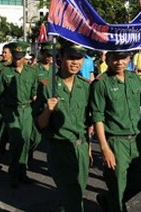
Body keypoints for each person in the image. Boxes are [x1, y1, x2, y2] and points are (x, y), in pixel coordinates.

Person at [91, 51, 141, 212]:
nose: (119, 62)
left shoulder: (134, 79)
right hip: (116, 141)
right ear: (108, 59)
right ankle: (114, 204)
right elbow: (98, 118)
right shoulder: (101, 84)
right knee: (117, 185)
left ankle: (108, 200)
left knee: (139, 180)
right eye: (115, 58)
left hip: (136, 139)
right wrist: (104, 148)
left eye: (123, 58)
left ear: (129, 59)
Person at [34, 40, 92, 212]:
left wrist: (88, 147)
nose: (75, 62)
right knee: (72, 194)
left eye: (79, 58)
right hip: (59, 148)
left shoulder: (85, 87)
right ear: (61, 58)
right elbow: (40, 125)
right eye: (71, 57)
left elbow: (88, 121)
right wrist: (48, 111)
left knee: (78, 192)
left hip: (81, 148)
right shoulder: (47, 86)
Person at [0, 41, 39, 187]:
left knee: (27, 141)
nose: (18, 60)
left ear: (24, 57)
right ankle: (14, 172)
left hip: (27, 110)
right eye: (15, 56)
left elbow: (34, 93)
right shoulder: (5, 72)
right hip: (11, 111)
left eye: (20, 57)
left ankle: (22, 171)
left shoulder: (32, 72)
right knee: (16, 142)